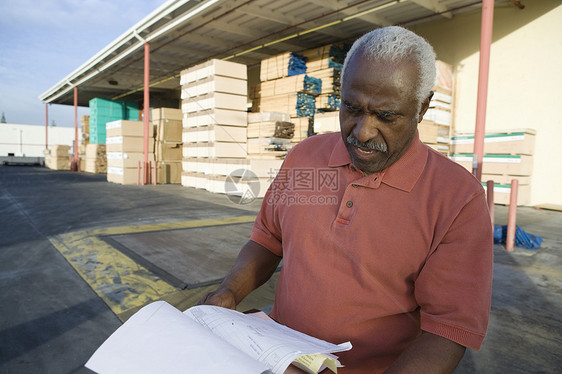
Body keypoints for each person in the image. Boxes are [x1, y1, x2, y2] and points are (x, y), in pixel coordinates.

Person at [200, 26, 493, 373]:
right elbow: (268, 241)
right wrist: (230, 292)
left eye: (386, 116)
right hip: (276, 356)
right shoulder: (304, 159)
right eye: (351, 108)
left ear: (422, 107)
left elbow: (447, 329)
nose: (363, 131)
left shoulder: (457, 199)